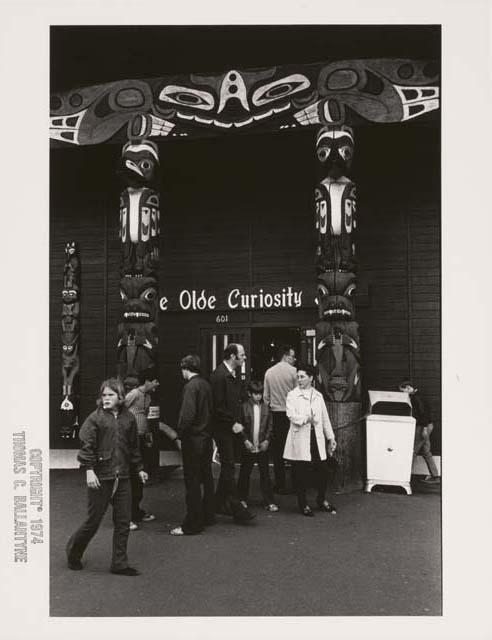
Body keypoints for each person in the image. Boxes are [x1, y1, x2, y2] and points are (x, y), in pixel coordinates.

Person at [66, 378, 147, 576]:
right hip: (101, 476)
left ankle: (119, 564)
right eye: (103, 395)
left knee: (123, 521)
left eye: (110, 395)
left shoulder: (128, 418)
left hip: (124, 476)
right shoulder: (95, 418)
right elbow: (87, 446)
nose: (106, 398)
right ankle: (73, 552)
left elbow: (133, 448)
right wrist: (89, 470)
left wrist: (140, 469)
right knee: (93, 521)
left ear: (120, 397)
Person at [170, 354, 216, 536]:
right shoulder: (205, 384)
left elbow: (187, 415)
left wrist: (180, 434)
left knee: (193, 483)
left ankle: (193, 523)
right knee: (207, 479)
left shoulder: (190, 387)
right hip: (206, 438)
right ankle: (207, 515)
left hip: (193, 440)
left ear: (185, 368)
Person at [283, 364, 337, 517]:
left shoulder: (318, 396)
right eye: (298, 377)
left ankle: (321, 499)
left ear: (311, 378)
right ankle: (303, 504)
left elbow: (325, 419)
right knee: (301, 472)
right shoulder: (292, 395)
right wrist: (307, 419)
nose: (299, 380)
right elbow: (291, 415)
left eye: (302, 377)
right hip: (300, 437)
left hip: (316, 438)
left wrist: (331, 437)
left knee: (323, 470)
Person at [210, 343, 255, 524]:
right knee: (229, 466)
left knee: (228, 467)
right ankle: (238, 509)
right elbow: (218, 407)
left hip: (229, 427)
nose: (244, 358)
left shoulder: (230, 375)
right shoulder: (219, 376)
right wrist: (234, 422)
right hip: (223, 429)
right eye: (242, 355)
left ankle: (216, 504)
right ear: (232, 356)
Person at [124, 374, 160, 530]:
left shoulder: (147, 396)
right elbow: (120, 408)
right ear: (146, 382)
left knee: (140, 475)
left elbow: (145, 416)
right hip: (131, 439)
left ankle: (136, 511)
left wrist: (147, 435)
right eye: (154, 381)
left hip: (142, 438)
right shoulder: (134, 394)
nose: (156, 385)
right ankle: (127, 516)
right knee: (132, 474)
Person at [237, 380, 279, 513]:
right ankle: (241, 499)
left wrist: (267, 440)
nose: (258, 397)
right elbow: (239, 426)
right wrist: (245, 441)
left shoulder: (267, 408)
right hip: (248, 446)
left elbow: (270, 426)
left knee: (265, 474)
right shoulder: (243, 407)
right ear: (250, 394)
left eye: (260, 394)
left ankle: (269, 501)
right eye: (255, 394)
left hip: (262, 446)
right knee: (244, 473)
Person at [263, 344, 297, 494]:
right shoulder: (294, 372)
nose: (294, 360)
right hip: (291, 415)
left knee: (278, 452)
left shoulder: (269, 372)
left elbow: (265, 398)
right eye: (293, 357)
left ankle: (280, 483)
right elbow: (298, 394)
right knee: (295, 450)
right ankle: (296, 484)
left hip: (275, 415)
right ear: (285, 356)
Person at [399, 380, 440, 484]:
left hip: (423, 426)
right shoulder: (419, 395)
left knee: (413, 451)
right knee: (426, 451)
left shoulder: (417, 398)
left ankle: (404, 476)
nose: (403, 394)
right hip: (428, 425)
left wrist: (424, 429)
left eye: (403, 391)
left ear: (408, 388)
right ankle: (435, 476)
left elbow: (423, 414)